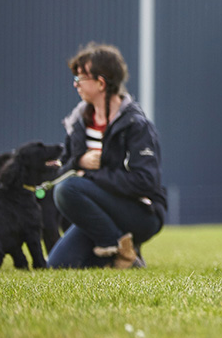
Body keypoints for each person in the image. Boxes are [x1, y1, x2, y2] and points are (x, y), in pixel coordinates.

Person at [48, 43, 166, 269]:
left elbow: (146, 181)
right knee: (59, 264)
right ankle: (125, 254)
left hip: (141, 213)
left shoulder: (136, 125)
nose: (75, 85)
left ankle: (115, 246)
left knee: (68, 189)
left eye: (80, 78)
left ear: (101, 83)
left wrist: (92, 176)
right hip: (97, 213)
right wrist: (79, 162)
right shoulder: (78, 123)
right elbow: (62, 168)